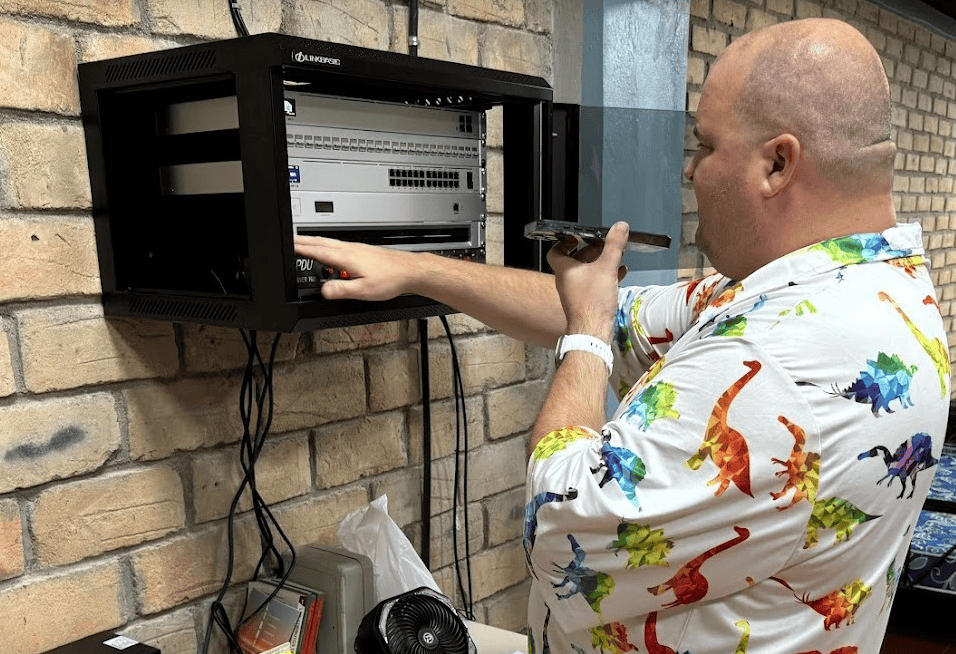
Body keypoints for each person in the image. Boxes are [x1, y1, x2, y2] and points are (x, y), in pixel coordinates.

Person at [295, 17, 950, 654]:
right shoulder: (863, 291)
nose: (690, 171)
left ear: (777, 163)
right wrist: (418, 267)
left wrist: (583, 339)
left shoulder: (777, 366)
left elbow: (559, 526)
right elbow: (608, 311)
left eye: (705, 145)